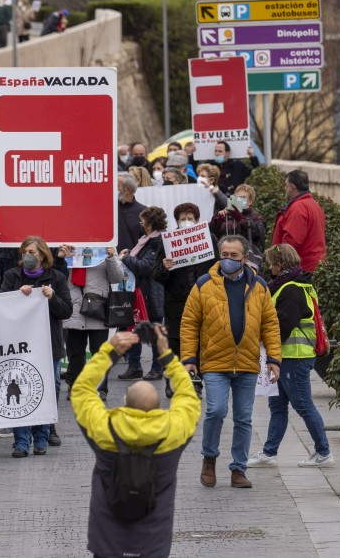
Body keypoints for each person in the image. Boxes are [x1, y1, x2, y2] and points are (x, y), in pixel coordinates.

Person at [72, 325, 200, 558]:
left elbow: (81, 390)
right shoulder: (174, 429)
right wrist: (167, 357)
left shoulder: (104, 428)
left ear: (124, 404)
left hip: (107, 538)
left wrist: (109, 352)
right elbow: (188, 396)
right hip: (153, 541)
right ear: (158, 408)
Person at [181, 234, 281, 488]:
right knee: (215, 410)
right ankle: (209, 459)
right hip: (215, 362)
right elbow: (190, 323)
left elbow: (270, 324)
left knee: (244, 417)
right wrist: (189, 358)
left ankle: (238, 468)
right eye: (224, 255)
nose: (228, 260)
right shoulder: (204, 284)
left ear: (245, 258)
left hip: (247, 362)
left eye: (233, 256)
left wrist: (274, 359)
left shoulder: (258, 286)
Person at [247, 244, 334, 469]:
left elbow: (283, 325)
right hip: (285, 357)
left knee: (303, 405)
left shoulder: (291, 289)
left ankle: (323, 451)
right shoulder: (290, 285)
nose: (269, 268)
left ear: (279, 264)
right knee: (277, 406)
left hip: (294, 357)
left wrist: (260, 337)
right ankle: (269, 452)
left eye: (271, 264)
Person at [0, 236, 73, 457]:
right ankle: (22, 442)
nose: (29, 256)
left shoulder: (57, 278)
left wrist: (51, 298)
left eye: (33, 252)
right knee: (18, 390)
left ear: (43, 255)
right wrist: (16, 296)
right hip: (20, 346)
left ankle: (41, 438)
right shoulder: (12, 276)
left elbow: (67, 311)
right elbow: (1, 307)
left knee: (47, 391)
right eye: (25, 251)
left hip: (48, 345)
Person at [152, 203, 214, 398]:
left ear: (197, 220)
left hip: (202, 302)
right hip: (176, 304)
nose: (186, 221)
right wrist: (164, 267)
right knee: (175, 344)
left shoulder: (208, 239)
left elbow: (217, 268)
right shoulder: (167, 242)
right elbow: (156, 275)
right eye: (182, 218)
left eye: (190, 217)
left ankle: (195, 382)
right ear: (177, 221)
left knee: (199, 343)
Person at [63, 246, 123, 394]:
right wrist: (61, 257)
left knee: (99, 353)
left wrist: (110, 257)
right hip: (74, 307)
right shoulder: (66, 245)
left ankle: (100, 389)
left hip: (98, 308)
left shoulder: (105, 245)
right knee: (75, 353)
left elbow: (118, 277)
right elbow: (59, 274)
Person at [119, 206, 167, 381]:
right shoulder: (146, 240)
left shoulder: (157, 242)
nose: (140, 223)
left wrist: (125, 258)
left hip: (151, 295)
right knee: (136, 328)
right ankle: (134, 366)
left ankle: (157, 368)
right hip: (140, 293)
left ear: (150, 223)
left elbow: (145, 267)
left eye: (143, 220)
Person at [272, 169, 326, 273]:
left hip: (301, 269)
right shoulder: (313, 204)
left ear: (292, 187)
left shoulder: (298, 207)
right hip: (311, 265)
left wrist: (279, 265)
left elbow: (291, 243)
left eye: (286, 185)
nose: (285, 188)